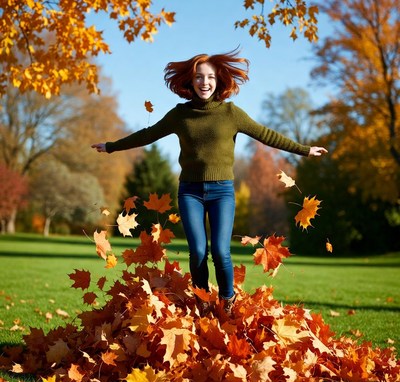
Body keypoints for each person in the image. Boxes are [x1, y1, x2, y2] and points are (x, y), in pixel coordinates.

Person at [92, 49, 328, 317]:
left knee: (220, 251)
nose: (205, 82)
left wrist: (304, 149)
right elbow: (148, 135)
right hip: (190, 192)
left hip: (222, 192)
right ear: (190, 81)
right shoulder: (180, 115)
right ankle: (202, 301)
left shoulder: (231, 113)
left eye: (210, 77)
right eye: (199, 77)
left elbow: (266, 134)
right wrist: (111, 146)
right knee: (198, 251)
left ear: (219, 80)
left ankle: (227, 300)